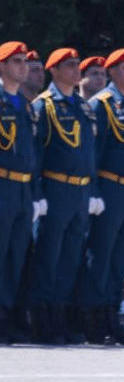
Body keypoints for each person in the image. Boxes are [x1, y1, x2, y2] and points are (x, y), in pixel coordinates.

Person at [29, 47, 96, 344]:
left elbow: (89, 153)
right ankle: (43, 319)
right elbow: (35, 154)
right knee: (49, 256)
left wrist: (92, 191)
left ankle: (60, 316)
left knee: (69, 257)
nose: (75, 70)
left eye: (77, 65)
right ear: (53, 71)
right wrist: (37, 193)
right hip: (55, 188)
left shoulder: (82, 106)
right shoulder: (45, 105)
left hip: (80, 190)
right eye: (69, 65)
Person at [0, 42, 36, 344]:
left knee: (15, 256)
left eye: (25, 61)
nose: (23, 67)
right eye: (16, 62)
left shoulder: (24, 104)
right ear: (2, 66)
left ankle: (8, 314)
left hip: (22, 187)